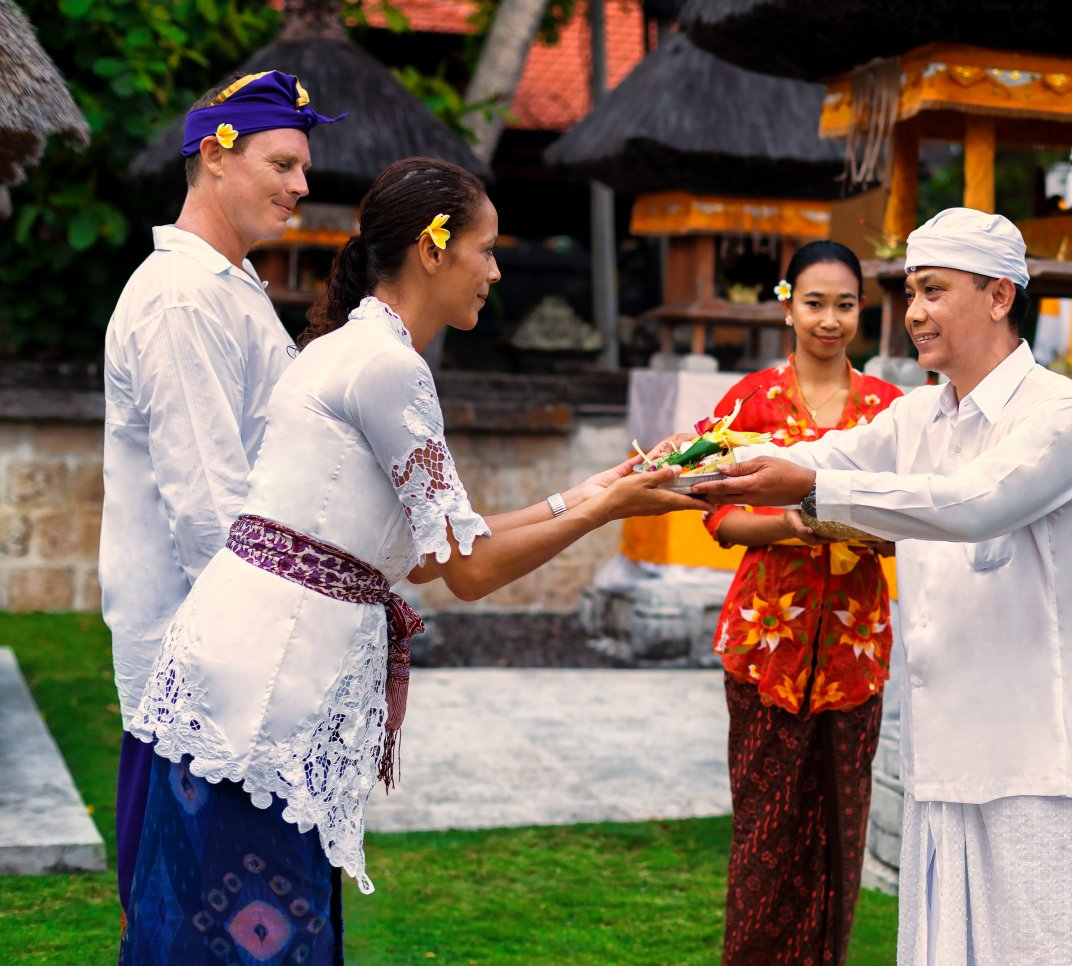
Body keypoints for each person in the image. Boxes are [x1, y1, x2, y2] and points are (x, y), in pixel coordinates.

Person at [119, 157, 706, 964]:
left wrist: (598, 489)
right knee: (256, 935)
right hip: (264, 697)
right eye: (487, 249)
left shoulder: (344, 347)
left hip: (230, 672)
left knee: (205, 926)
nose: (497, 272)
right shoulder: (391, 370)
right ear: (434, 250)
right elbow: (464, 570)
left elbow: (434, 553)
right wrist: (607, 508)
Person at [693, 209, 1072, 965]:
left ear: (998, 296)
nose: (913, 312)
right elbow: (825, 453)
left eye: (934, 290)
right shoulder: (920, 413)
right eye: (911, 291)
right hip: (944, 739)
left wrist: (811, 487)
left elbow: (974, 503)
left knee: (1040, 948)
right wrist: (696, 472)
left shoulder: (1060, 414)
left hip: (1032, 749)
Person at [100, 69, 342, 921]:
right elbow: (209, 507)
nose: (301, 187)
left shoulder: (229, 286)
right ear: (214, 154)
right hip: (205, 669)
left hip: (243, 660)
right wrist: (271, 654)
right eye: (282, 164)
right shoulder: (180, 298)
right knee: (193, 921)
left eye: (302, 168)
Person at [704, 241, 902, 964]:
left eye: (844, 305)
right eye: (814, 303)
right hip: (765, 648)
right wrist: (794, 522)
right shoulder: (749, 401)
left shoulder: (891, 411)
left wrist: (877, 531)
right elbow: (719, 515)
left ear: (861, 311)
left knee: (840, 834)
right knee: (765, 830)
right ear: (787, 304)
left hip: (855, 651)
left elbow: (914, 520)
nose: (829, 320)